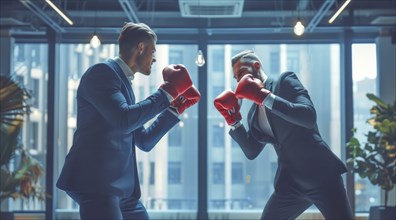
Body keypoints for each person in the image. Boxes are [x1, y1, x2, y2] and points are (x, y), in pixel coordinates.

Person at [56, 22, 200, 220]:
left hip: (122, 191)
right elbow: (123, 119)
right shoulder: (102, 73)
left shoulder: (123, 83)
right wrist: (167, 92)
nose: (155, 58)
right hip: (97, 186)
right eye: (152, 51)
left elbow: (144, 140)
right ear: (140, 48)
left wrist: (174, 109)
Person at [214, 50, 353, 219]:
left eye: (242, 73)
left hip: (321, 175)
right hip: (291, 183)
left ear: (256, 66)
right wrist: (234, 120)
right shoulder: (253, 115)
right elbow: (252, 151)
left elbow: (308, 116)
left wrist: (264, 97)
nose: (239, 80)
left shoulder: (285, 81)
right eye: (236, 78)